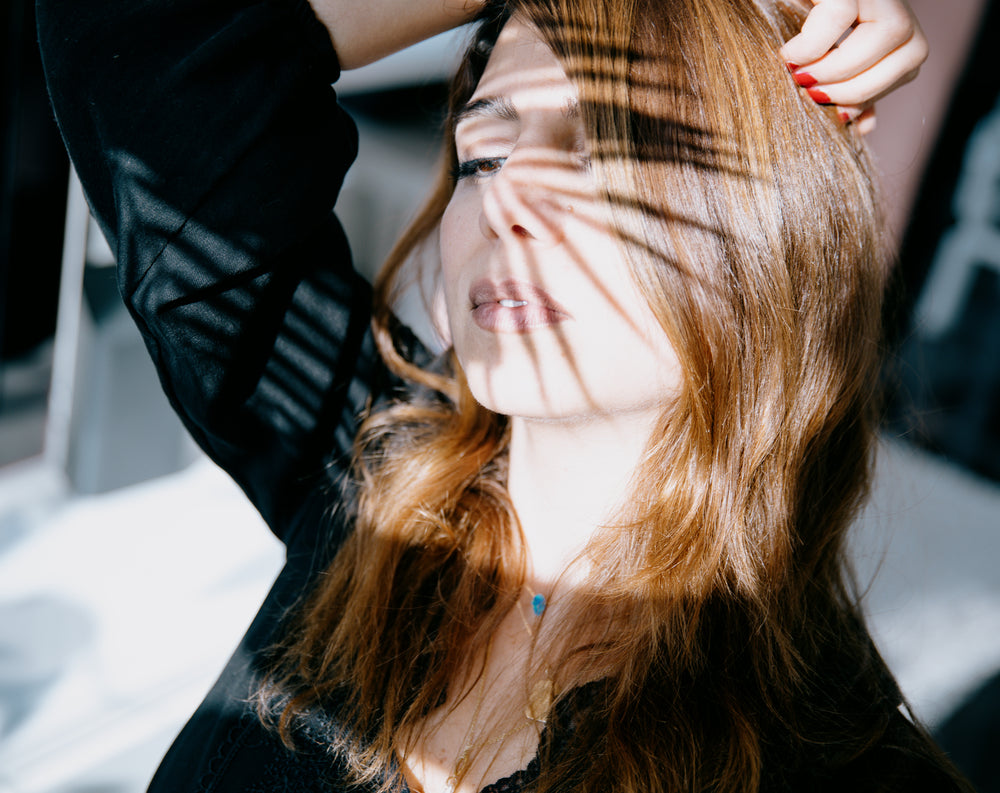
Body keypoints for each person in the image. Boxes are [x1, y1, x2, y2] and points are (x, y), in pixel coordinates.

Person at [37, 0, 969, 791]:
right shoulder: (375, 475)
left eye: (601, 152)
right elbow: (141, 40)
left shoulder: (843, 764)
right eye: (482, 154)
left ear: (773, 231)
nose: (505, 198)